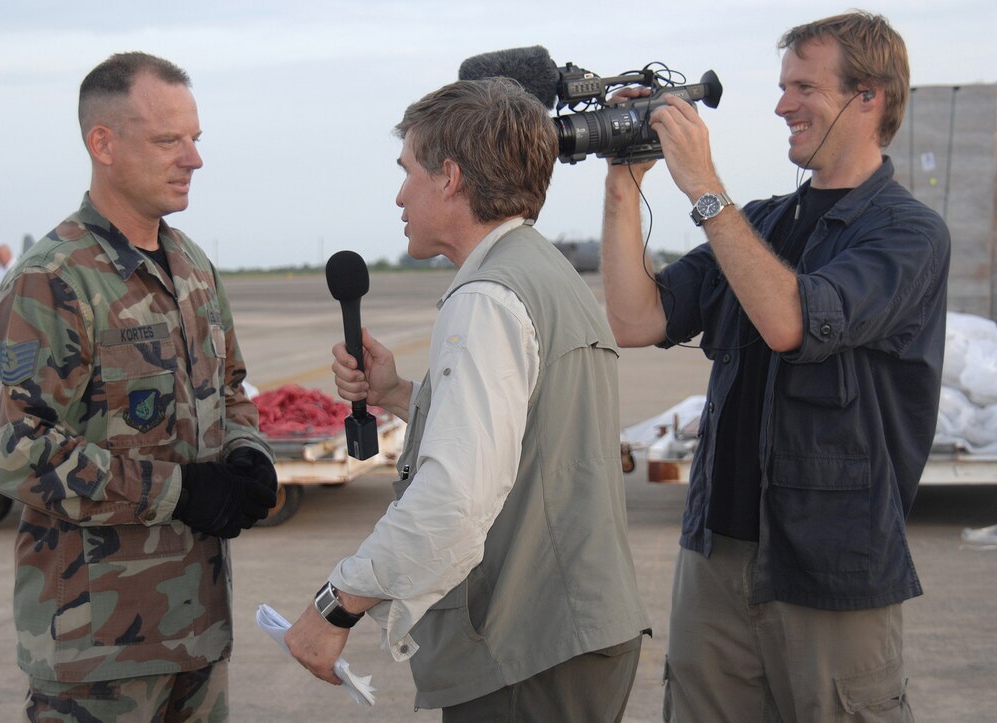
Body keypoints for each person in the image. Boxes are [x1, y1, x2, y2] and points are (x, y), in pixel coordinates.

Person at [600, 11, 949, 722]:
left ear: (869, 96)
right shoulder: (756, 223)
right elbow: (634, 319)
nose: (781, 104)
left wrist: (700, 182)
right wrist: (623, 182)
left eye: (802, 87)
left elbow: (792, 319)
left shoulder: (910, 235)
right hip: (716, 559)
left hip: (831, 570)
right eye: (782, 85)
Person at [285, 77, 650, 720]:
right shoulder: (542, 271)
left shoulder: (485, 296)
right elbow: (532, 425)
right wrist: (398, 393)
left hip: (529, 648)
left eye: (408, 172)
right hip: (574, 634)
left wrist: (337, 603)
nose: (399, 195)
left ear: (449, 177)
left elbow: (453, 500)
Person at [0, 52, 278, 721]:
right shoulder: (54, 278)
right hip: (98, 653)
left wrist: (247, 450)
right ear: (102, 143)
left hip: (196, 631)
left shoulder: (192, 266)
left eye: (196, 138)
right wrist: (180, 489)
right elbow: (13, 447)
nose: (193, 158)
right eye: (170, 140)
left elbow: (229, 386)